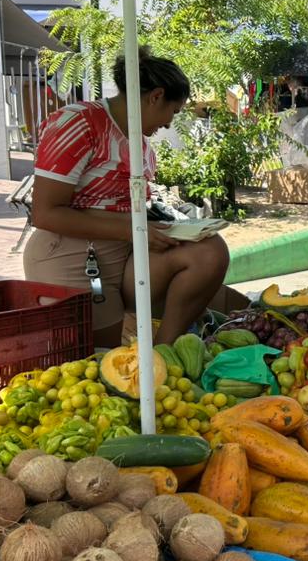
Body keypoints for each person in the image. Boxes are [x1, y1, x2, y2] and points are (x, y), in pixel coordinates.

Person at [25, 49, 246, 348]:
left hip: (127, 252)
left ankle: (164, 354)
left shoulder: (139, 143)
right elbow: (45, 213)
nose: (169, 123)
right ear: (156, 96)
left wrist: (163, 228)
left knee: (208, 252)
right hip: (72, 255)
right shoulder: (78, 124)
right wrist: (133, 230)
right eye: (174, 111)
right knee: (99, 360)